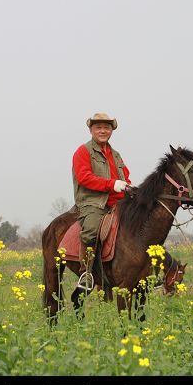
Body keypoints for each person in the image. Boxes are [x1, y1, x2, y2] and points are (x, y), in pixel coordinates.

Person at [72, 113, 131, 290]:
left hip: (118, 202)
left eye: (106, 127)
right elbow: (84, 178)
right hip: (93, 202)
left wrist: (129, 187)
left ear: (111, 130)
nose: (103, 131)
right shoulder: (83, 151)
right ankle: (86, 272)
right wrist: (112, 184)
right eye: (98, 127)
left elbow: (125, 176)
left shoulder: (116, 155)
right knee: (91, 229)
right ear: (91, 130)